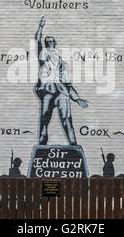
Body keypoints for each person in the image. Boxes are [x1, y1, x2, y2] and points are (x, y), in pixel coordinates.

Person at [34, 16, 89, 145]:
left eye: (51, 41)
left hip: (62, 92)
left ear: (55, 43)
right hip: (47, 91)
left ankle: (73, 145)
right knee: (44, 120)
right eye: (47, 41)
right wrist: (40, 27)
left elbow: (68, 85)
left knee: (67, 120)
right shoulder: (43, 55)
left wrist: (77, 98)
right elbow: (37, 41)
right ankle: (42, 146)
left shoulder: (62, 63)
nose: (49, 43)